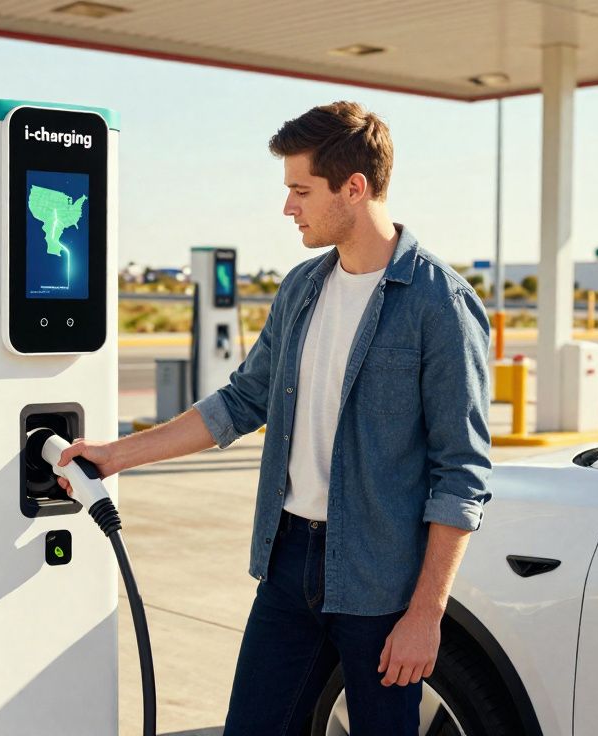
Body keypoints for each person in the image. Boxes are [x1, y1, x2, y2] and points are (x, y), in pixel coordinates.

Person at [57, 100, 492, 735]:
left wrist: (427, 613)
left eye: (299, 190)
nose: (288, 207)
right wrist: (117, 455)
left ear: (354, 187)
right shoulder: (301, 289)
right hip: (290, 562)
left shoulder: (439, 305)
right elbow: (241, 402)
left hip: (380, 583)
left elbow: (462, 473)